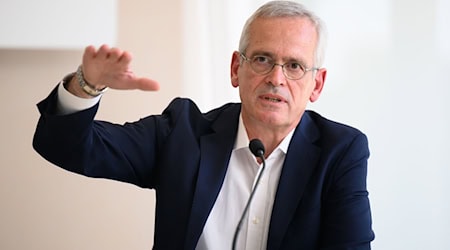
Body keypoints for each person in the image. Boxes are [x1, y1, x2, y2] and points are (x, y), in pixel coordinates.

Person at [33, 1, 374, 249]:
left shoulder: (339, 152)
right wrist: (86, 86)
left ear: (317, 84)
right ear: (235, 69)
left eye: (295, 66)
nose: (276, 78)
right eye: (262, 59)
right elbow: (68, 148)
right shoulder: (183, 134)